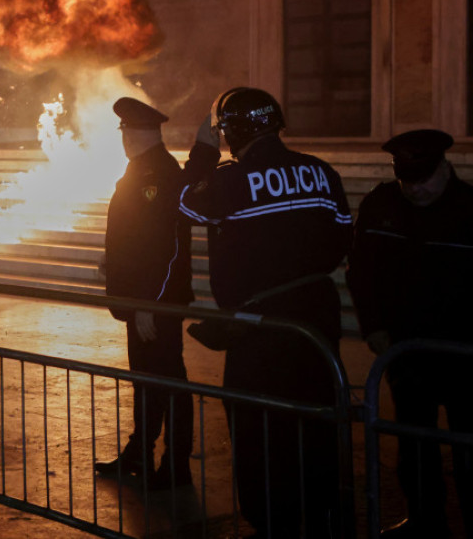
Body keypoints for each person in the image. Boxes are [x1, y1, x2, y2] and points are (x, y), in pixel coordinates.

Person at [179, 87, 352, 538]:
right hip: (316, 323)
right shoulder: (322, 172)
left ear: (233, 132)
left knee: (258, 431)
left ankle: (272, 524)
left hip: (258, 331)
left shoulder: (229, 180)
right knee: (317, 427)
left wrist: (202, 149)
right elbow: (340, 240)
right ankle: (323, 519)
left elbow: (180, 203)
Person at [346, 129, 473, 538]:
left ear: (444, 169)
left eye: (423, 180)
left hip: (464, 353)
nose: (415, 189)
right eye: (407, 180)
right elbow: (361, 272)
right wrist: (374, 327)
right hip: (405, 350)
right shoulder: (382, 203)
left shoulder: (470, 207)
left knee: (468, 447)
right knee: (414, 445)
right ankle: (425, 521)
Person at [93, 97, 194, 491]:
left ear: (137, 134)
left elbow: (166, 247)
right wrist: (114, 262)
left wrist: (150, 302)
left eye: (126, 132)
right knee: (147, 379)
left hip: (155, 302)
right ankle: (140, 452)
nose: (123, 139)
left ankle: (175, 464)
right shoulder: (141, 170)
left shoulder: (159, 174)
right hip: (141, 301)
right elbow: (134, 237)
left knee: (170, 381)